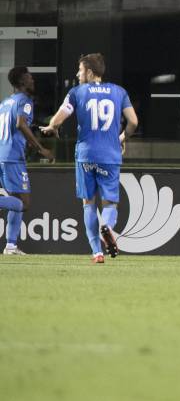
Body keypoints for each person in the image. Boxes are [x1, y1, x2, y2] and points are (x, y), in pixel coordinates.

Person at [41, 53, 138, 264]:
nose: (77, 74)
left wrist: (52, 126)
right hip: (110, 155)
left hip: (85, 155)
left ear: (90, 72)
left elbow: (61, 115)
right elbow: (133, 122)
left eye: (80, 70)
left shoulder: (77, 92)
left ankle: (97, 252)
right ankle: (109, 229)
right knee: (110, 202)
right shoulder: (119, 92)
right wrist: (121, 137)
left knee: (89, 202)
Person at [0, 67, 55, 254]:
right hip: (13, 158)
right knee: (24, 203)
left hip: (2, 154)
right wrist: (41, 149)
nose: (33, 80)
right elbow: (20, 124)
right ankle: (11, 245)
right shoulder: (25, 100)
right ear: (22, 81)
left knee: (15, 202)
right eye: (30, 77)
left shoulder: (6, 102)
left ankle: (10, 246)